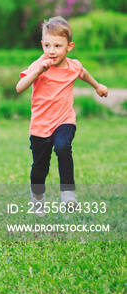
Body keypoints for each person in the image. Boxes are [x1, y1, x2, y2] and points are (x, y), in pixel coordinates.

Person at [16, 16, 108, 215]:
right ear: (42, 44)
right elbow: (19, 87)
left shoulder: (73, 66)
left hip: (64, 121)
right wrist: (37, 71)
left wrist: (97, 86)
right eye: (47, 45)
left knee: (63, 146)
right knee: (40, 169)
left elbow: (82, 73)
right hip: (40, 127)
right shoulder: (39, 65)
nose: (51, 51)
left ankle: (67, 192)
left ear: (69, 46)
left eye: (58, 46)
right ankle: (37, 198)